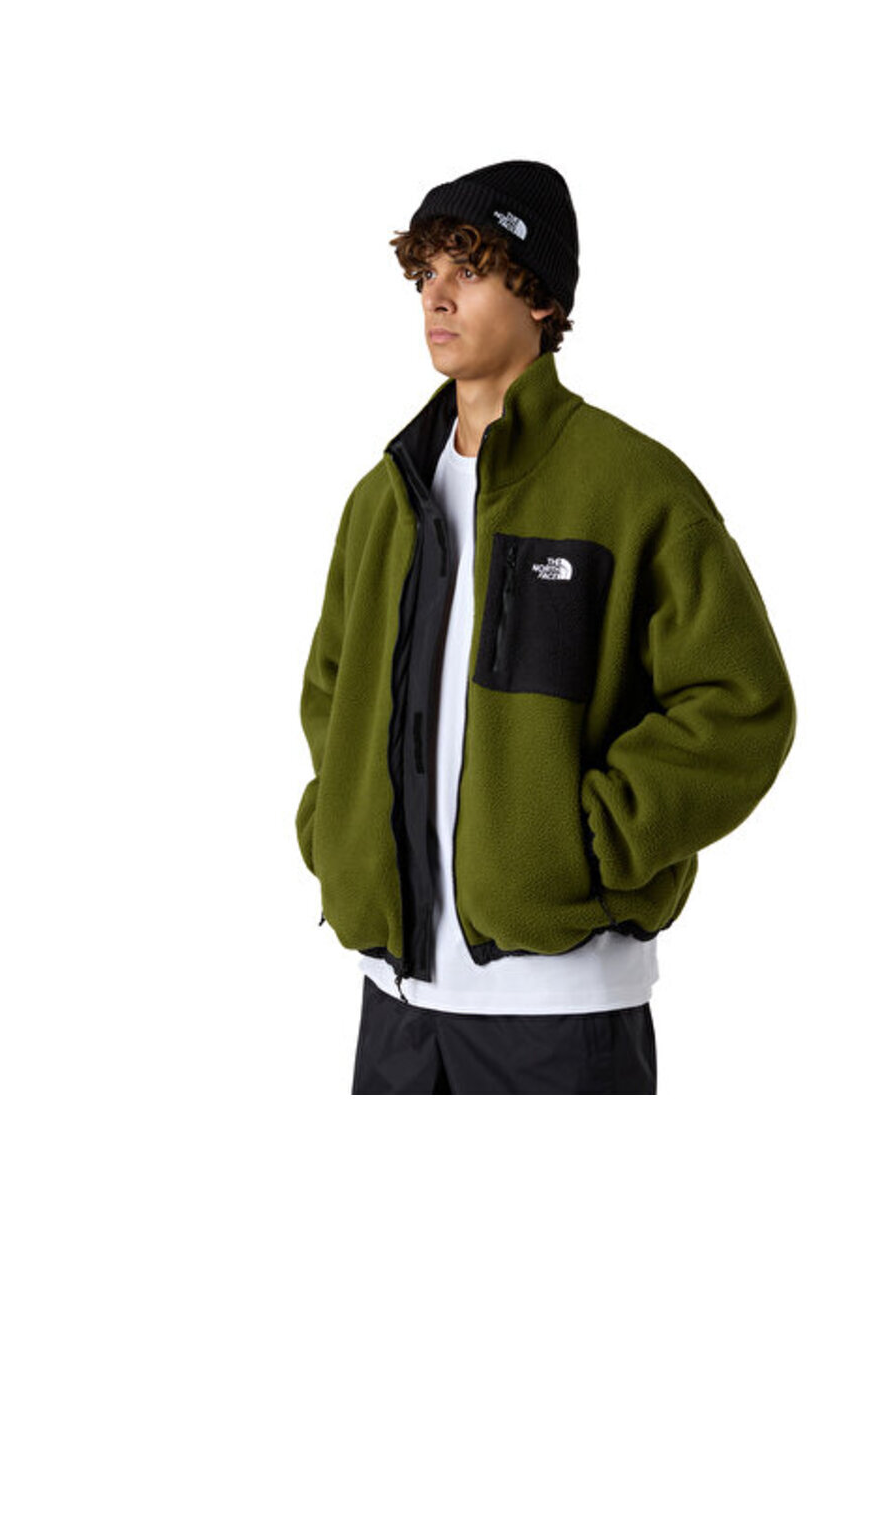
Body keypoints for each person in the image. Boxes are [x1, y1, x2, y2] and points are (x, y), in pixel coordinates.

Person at [295, 160, 796, 1094]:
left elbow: (740, 705)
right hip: (396, 996)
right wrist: (340, 830)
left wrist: (592, 841)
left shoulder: (630, 486)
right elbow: (330, 695)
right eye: (426, 273)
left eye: (469, 269)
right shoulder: (383, 499)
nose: (437, 296)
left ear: (540, 297)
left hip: (561, 1006)